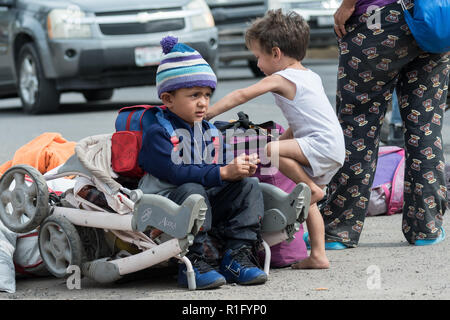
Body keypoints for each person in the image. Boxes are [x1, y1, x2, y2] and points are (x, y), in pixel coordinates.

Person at [206, 9, 346, 269]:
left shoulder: (283, 78)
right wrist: (284, 139)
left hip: (321, 144)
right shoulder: (310, 76)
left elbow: (241, 95)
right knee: (305, 198)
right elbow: (301, 122)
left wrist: (209, 112)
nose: (258, 64)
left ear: (276, 53)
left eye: (258, 56)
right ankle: (318, 255)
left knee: (270, 149)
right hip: (333, 146)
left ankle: (312, 189)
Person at [137, 36, 268, 290]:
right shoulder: (157, 132)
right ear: (168, 99)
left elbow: (223, 161)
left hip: (204, 203)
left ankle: (236, 257)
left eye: (207, 95)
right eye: (194, 94)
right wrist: (222, 173)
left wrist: (239, 166)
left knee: (249, 186)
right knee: (192, 188)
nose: (203, 102)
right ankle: (193, 260)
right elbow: (176, 172)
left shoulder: (207, 129)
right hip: (166, 208)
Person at [321, 0, 448, 248]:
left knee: (358, 125)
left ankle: (339, 230)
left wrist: (348, 4)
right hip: (434, 20)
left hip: (378, 21)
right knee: (425, 127)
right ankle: (426, 229)